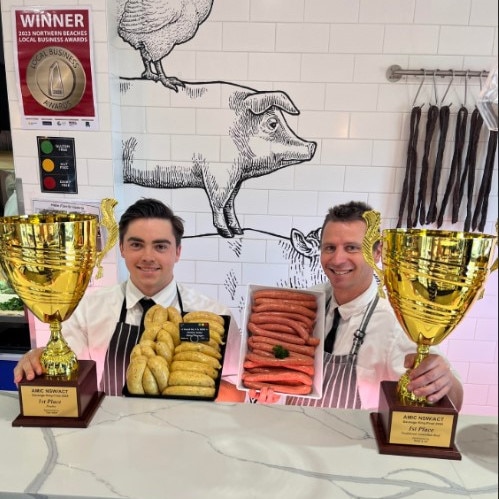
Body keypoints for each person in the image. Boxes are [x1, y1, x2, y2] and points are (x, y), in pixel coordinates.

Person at [14, 198, 243, 399]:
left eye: (160, 246)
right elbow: (70, 372)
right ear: (122, 248)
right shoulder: (90, 310)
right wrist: (41, 360)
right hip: (110, 438)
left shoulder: (214, 316)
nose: (148, 256)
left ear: (178, 252)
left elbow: (237, 392)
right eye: (136, 244)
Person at [251, 201, 463, 410]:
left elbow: (452, 400)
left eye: (351, 248)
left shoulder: (395, 323)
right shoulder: (307, 302)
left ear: (377, 253)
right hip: (293, 432)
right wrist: (271, 392)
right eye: (330, 248)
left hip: (353, 440)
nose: (338, 258)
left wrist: (444, 380)